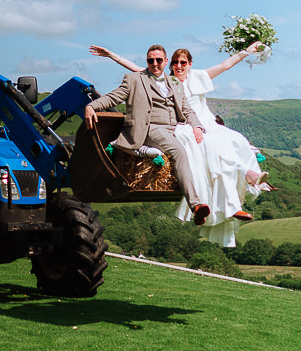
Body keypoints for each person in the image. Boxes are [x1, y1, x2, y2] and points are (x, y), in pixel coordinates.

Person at [89, 41, 271, 246]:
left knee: (234, 140)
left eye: (182, 62)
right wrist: (111, 55)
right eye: (175, 62)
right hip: (178, 126)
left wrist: (247, 51)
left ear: (190, 63)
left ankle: (244, 177)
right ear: (170, 64)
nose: (179, 65)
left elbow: (225, 65)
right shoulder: (157, 78)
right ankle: (215, 199)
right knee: (205, 147)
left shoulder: (191, 79)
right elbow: (131, 73)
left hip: (202, 123)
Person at [82, 44, 213, 226]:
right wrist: (91, 106)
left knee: (206, 145)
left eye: (159, 60)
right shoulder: (134, 79)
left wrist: (197, 127)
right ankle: (196, 206)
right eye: (151, 60)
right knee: (179, 151)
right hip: (151, 128)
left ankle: (217, 198)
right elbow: (114, 97)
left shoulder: (174, 82)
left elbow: (186, 109)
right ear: (147, 62)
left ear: (165, 62)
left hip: (175, 127)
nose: (155, 63)